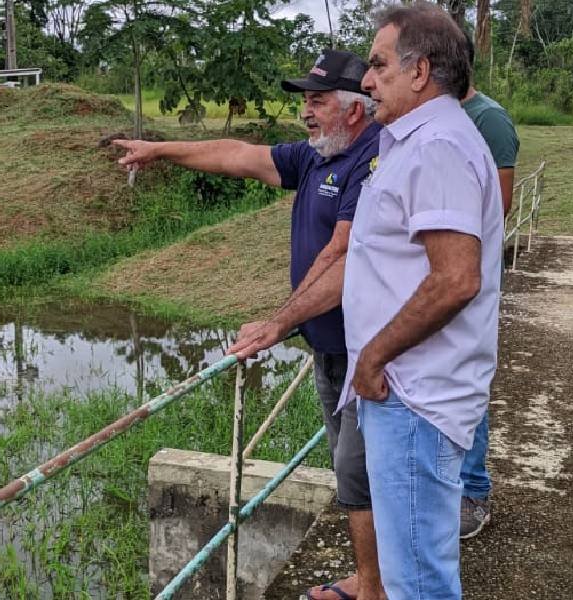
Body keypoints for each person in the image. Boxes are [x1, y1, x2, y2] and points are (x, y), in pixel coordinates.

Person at [112, 50, 387, 600]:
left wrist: (275, 324)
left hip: (370, 352)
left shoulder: (372, 159)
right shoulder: (318, 156)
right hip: (330, 348)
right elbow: (237, 154)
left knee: (360, 479)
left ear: (355, 109)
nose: (306, 113)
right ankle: (377, 580)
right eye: (304, 102)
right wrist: (160, 149)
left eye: (318, 101)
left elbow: (343, 253)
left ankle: (373, 588)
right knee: (350, 471)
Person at [342, 3, 503, 598]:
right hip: (411, 393)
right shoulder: (418, 140)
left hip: (411, 396)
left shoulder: (437, 145)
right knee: (415, 567)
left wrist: (373, 356)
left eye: (378, 64)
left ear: (420, 70)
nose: (366, 79)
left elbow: (456, 277)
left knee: (417, 580)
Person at [457, 28, 521, 540]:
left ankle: (473, 492)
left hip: (467, 277)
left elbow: (497, 209)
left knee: (469, 378)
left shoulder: (488, 120)